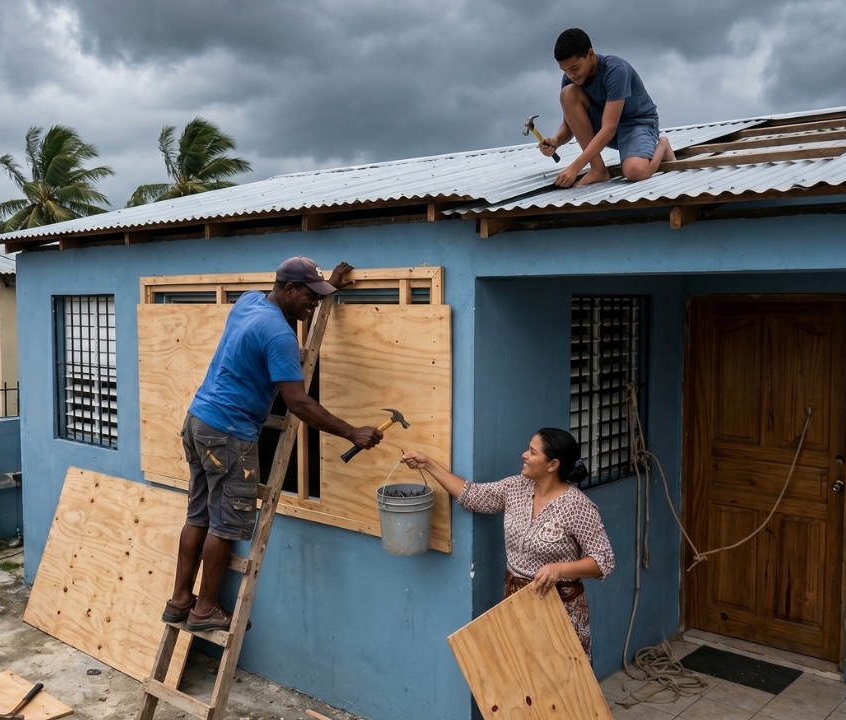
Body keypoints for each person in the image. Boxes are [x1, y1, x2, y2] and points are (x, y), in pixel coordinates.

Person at [163, 256, 384, 633]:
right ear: (288, 290)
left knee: (198, 514)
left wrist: (325, 288)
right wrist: (351, 432)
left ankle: (180, 600)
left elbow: (295, 308)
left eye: (318, 297)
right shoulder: (280, 336)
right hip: (230, 434)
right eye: (309, 296)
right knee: (225, 524)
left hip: (198, 422)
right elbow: (298, 402)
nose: (313, 303)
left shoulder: (249, 301)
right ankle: (204, 611)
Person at [401, 428, 614, 655]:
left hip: (561, 607)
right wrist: (428, 464)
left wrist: (559, 569)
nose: (524, 455)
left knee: (564, 682)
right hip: (517, 602)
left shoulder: (577, 506)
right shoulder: (515, 488)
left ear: (552, 465)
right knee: (521, 677)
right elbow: (472, 495)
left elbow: (604, 561)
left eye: (532, 452)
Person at [539, 27, 675, 187]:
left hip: (636, 124)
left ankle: (663, 146)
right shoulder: (570, 79)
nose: (571, 75)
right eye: (565, 70)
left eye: (574, 68)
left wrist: (575, 168)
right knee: (568, 93)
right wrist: (556, 141)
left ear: (590, 55)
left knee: (635, 171)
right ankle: (598, 170)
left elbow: (609, 128)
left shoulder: (616, 71)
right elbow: (569, 126)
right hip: (606, 127)